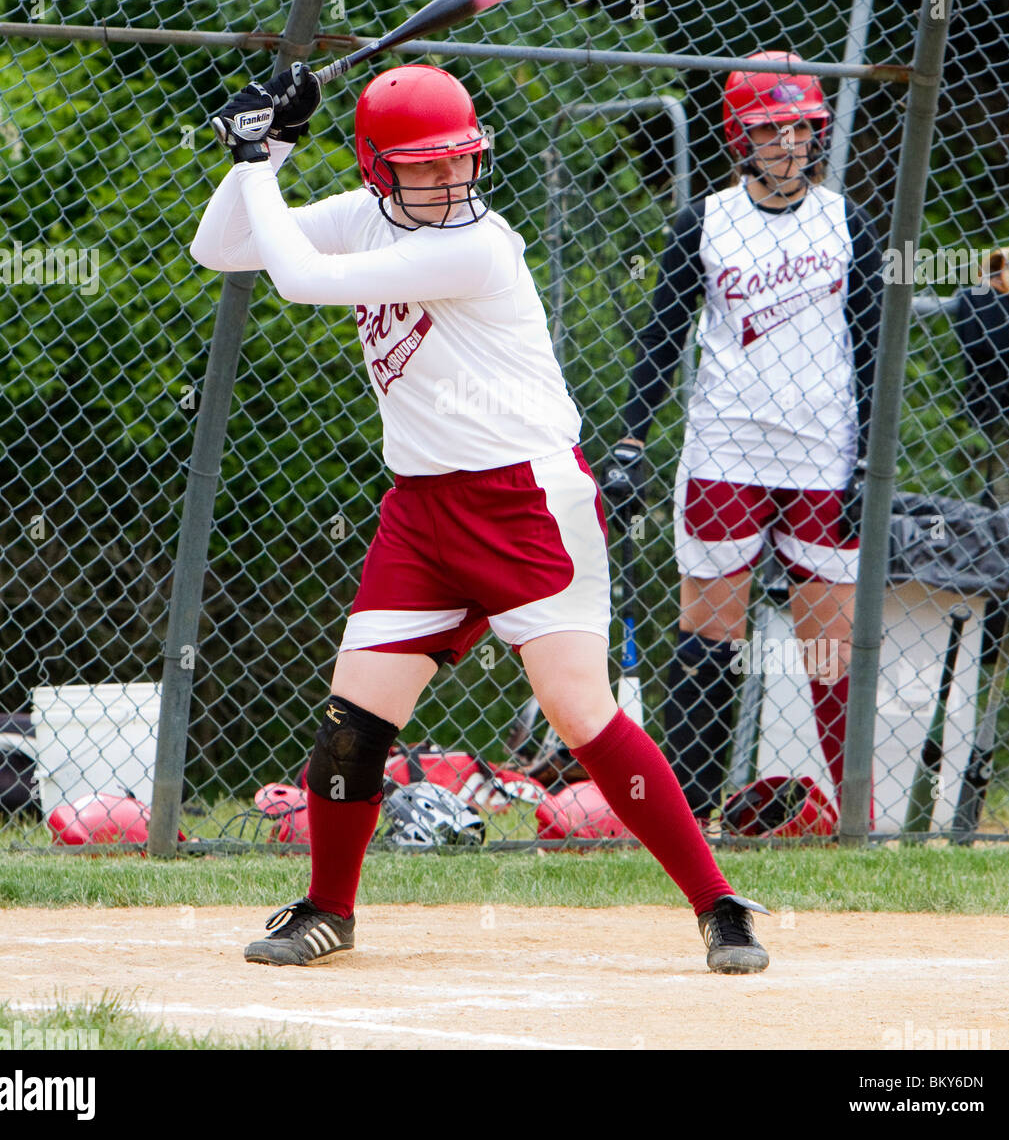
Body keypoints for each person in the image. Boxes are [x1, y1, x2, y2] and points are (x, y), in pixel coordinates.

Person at [191, 61, 770, 973]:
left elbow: (299, 279)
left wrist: (259, 155)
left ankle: (719, 903)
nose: (446, 182)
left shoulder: (480, 244)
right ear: (377, 168)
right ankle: (327, 908)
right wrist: (272, 149)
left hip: (527, 499)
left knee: (580, 709)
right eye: (420, 167)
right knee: (353, 720)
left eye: (457, 162)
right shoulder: (359, 213)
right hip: (421, 509)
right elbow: (222, 247)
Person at [603, 51, 883, 825]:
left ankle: (856, 822)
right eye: (770, 129)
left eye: (802, 128)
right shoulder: (706, 220)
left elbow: (872, 344)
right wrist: (632, 439)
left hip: (825, 453)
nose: (789, 144)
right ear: (740, 135)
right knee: (711, 634)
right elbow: (662, 336)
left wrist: (869, 462)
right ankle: (687, 819)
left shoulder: (847, 220)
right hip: (727, 447)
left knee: (831, 645)